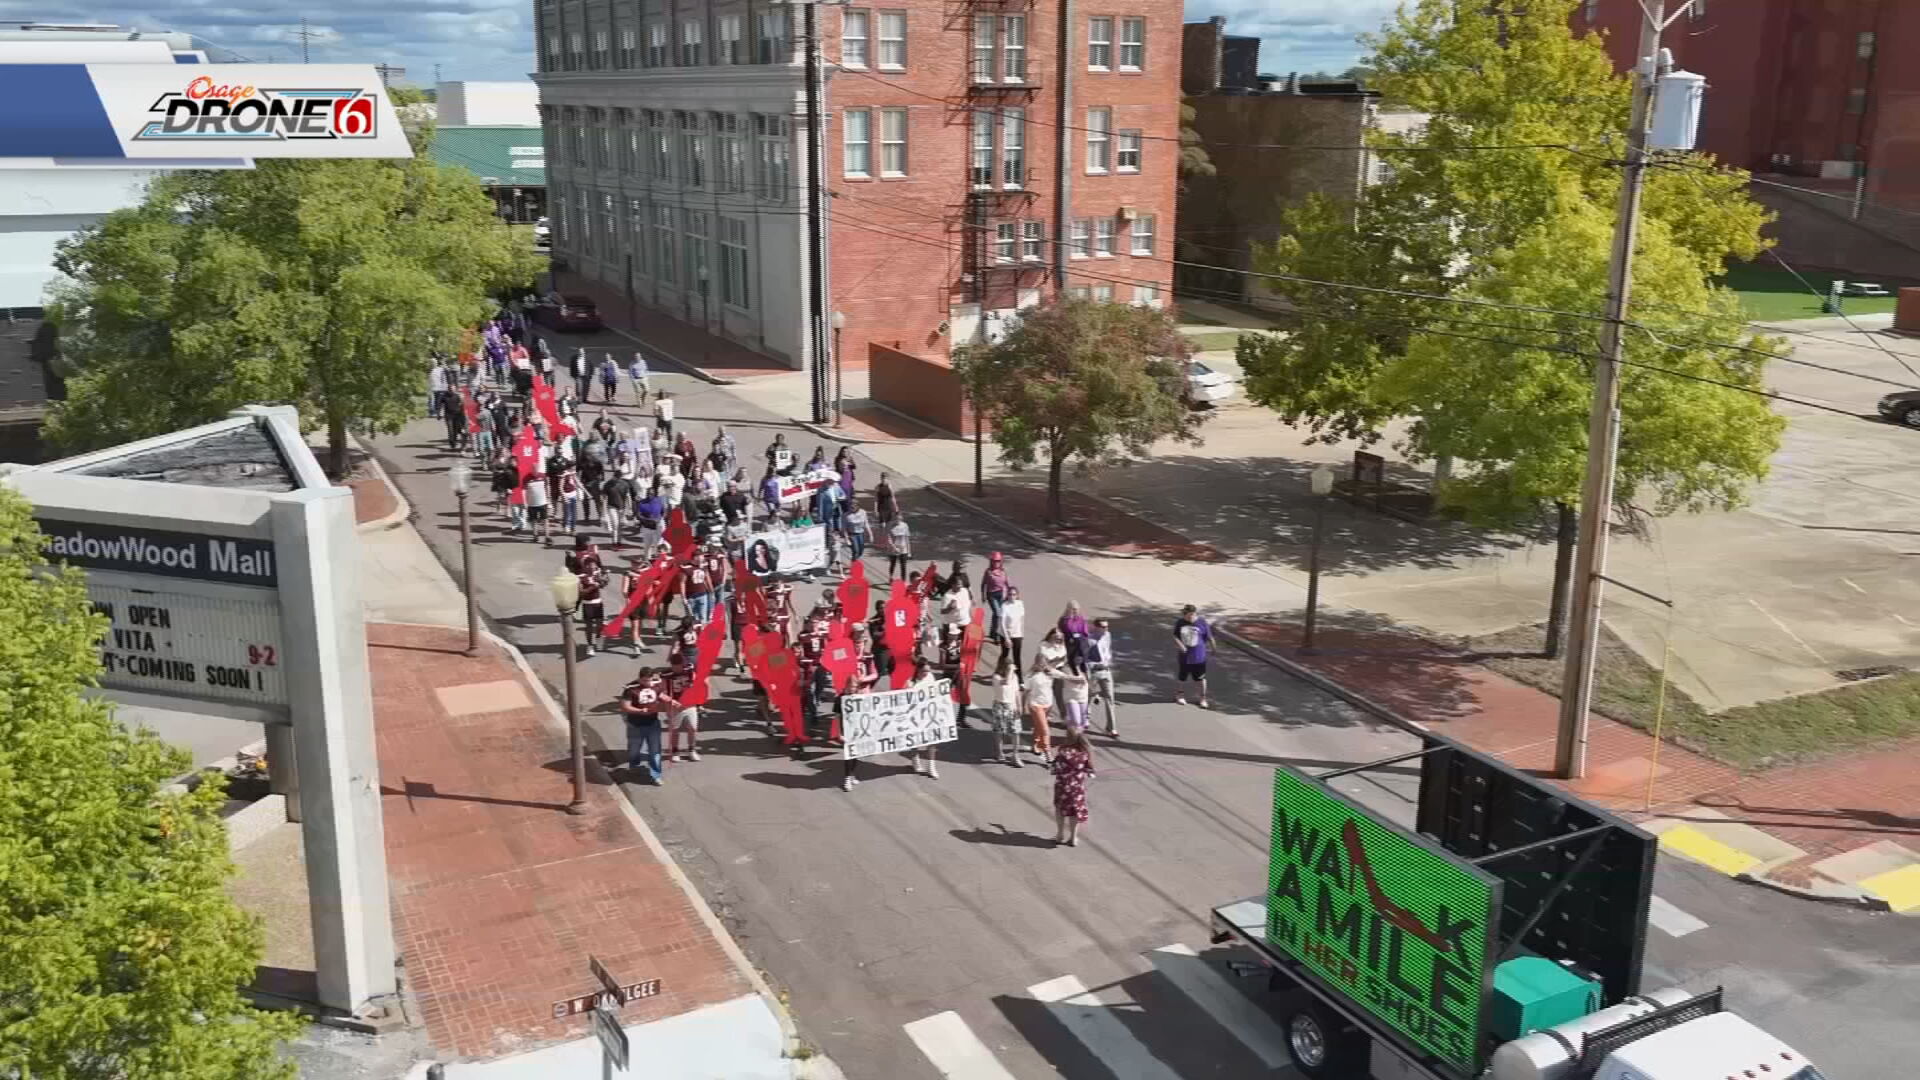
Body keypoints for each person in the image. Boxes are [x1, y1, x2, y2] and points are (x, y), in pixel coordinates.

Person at [620, 669, 667, 785]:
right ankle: (634, 765)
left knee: (655, 750)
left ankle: (655, 775)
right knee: (634, 749)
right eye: (645, 681)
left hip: (653, 723)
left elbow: (660, 695)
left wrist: (670, 701)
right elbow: (625, 706)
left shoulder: (656, 685)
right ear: (639, 679)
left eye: (649, 680)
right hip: (635, 724)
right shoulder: (631, 688)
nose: (648, 683)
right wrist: (640, 711)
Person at [1051, 730, 1095, 847]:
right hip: (1077, 790)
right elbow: (1090, 771)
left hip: (1062, 788)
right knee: (1074, 812)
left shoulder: (1062, 753)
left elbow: (1054, 769)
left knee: (1060, 810)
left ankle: (1060, 835)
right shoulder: (1084, 754)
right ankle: (1073, 838)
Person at [1173, 604, 1213, 708]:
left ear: (1194, 614)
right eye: (1186, 615)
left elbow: (1209, 637)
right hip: (1185, 657)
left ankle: (1203, 698)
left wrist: (1214, 648)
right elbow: (1176, 636)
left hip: (1199, 657)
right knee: (1182, 677)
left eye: (1191, 614)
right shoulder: (1180, 622)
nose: (1189, 617)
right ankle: (1180, 695)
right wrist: (1181, 645)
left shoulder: (1202, 622)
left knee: (1201, 679)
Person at [1085, 617, 1119, 737]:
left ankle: (1111, 728)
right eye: (1103, 627)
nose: (1106, 629)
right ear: (1096, 627)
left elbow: (1107, 650)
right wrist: (1089, 670)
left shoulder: (1107, 635)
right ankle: (1086, 718)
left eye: (1107, 626)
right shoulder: (1089, 639)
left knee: (1110, 699)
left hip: (1106, 671)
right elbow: (1085, 657)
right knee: (1088, 696)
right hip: (1094, 671)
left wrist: (1108, 662)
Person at [989, 653, 1025, 767]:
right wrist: (1010, 671)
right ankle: (999, 752)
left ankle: (1015, 755)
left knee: (1015, 731)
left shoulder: (1014, 676)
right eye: (1008, 667)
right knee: (999, 730)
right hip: (1000, 705)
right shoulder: (996, 677)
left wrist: (1020, 706)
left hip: (1012, 706)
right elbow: (1006, 682)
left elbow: (1017, 692)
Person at [665, 653, 701, 762]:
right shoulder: (666, 674)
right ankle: (675, 751)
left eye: (679, 666)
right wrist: (670, 701)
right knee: (675, 729)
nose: (677, 669)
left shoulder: (689, 670)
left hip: (689, 703)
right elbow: (660, 692)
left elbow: (695, 680)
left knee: (692, 728)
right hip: (675, 705)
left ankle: (692, 750)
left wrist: (693, 685)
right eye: (675, 666)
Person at [1024, 658, 1056, 762]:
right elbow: (1026, 692)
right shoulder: (1031, 676)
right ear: (1036, 663)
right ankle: (1048, 752)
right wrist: (1023, 706)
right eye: (1040, 664)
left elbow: (1063, 675)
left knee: (1038, 726)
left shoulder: (1049, 673)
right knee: (1045, 729)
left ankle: (1035, 744)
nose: (1042, 666)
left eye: (1044, 664)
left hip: (1048, 704)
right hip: (1036, 705)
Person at [982, 552, 1012, 644]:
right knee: (998, 614)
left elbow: (1007, 583)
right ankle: (996, 635)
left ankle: (992, 632)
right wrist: (983, 595)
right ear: (991, 561)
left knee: (997, 614)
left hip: (1001, 594)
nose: (996, 563)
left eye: (998, 561)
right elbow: (983, 584)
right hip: (991, 595)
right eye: (994, 561)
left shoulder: (1003, 571)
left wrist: (1011, 593)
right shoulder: (988, 572)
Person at [578, 568, 607, 657]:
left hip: (598, 603)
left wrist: (603, 578)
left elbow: (603, 585)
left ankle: (598, 638)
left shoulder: (596, 576)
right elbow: (582, 592)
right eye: (590, 568)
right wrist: (593, 586)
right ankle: (590, 646)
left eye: (593, 568)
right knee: (589, 627)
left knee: (599, 625)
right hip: (587, 605)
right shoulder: (581, 579)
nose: (592, 569)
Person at [1058, 600, 1091, 675]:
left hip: (1080, 643)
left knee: (1083, 664)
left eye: (1076, 609)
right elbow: (1064, 630)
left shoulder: (1081, 619)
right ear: (1068, 609)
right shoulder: (1064, 620)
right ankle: (1075, 675)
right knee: (1072, 662)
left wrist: (1081, 637)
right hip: (1069, 643)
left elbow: (1085, 632)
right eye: (1073, 609)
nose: (1075, 611)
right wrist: (1069, 618)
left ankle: (1085, 676)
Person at [1000, 585, 1027, 675]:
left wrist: (1022, 634)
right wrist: (1007, 638)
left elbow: (1022, 620)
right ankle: (999, 671)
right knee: (1005, 654)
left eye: (1014, 594)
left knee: (1017, 657)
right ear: (1007, 595)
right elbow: (1002, 623)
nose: (1012, 596)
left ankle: (1019, 678)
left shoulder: (1020, 604)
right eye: (1010, 594)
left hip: (1017, 634)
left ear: (1017, 595)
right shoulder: (1004, 606)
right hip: (1006, 634)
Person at [523, 467, 552, 544]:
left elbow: (547, 487)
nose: (535, 471)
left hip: (543, 502)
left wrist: (549, 499)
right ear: (531, 470)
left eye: (536, 469)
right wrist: (525, 503)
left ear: (538, 469)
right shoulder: (526, 478)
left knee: (545, 520)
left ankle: (547, 537)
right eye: (533, 470)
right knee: (534, 520)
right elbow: (524, 491)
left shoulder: (543, 476)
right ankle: (535, 536)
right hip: (532, 503)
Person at [556, 466, 583, 535]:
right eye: (573, 467)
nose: (575, 468)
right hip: (567, 496)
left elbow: (577, 482)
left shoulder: (573, 474)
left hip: (573, 496)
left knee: (574, 513)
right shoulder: (564, 475)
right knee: (567, 513)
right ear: (570, 467)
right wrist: (564, 497)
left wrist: (584, 490)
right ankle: (566, 527)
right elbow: (560, 487)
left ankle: (573, 529)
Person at [886, 514, 912, 580]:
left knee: (903, 565)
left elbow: (907, 539)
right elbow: (889, 539)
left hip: (903, 548)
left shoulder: (905, 525)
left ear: (901, 519)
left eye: (899, 519)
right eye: (896, 519)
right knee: (893, 564)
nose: (897, 520)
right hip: (893, 548)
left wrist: (909, 552)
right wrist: (894, 548)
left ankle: (903, 581)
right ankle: (891, 577)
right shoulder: (890, 525)